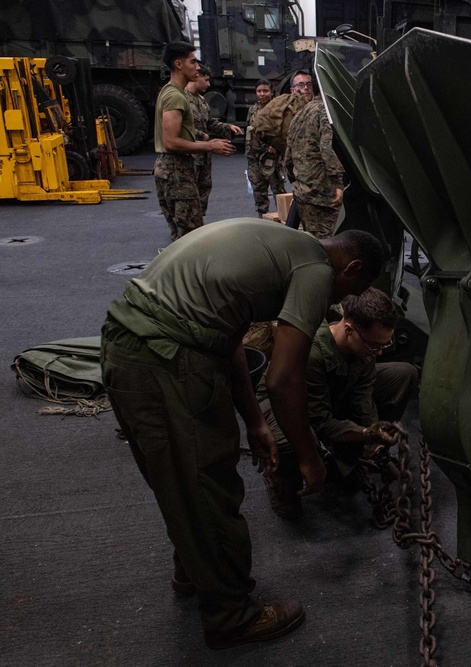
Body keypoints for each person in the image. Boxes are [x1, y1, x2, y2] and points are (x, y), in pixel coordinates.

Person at [100, 219, 385, 649]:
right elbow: (283, 379)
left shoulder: (281, 246)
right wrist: (310, 458)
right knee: (210, 483)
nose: (337, 301)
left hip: (135, 347)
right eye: (347, 293)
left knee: (182, 476)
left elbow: (230, 338)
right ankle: (230, 615)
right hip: (164, 358)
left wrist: (254, 422)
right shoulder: (316, 269)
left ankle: (196, 570)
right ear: (351, 268)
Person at [257, 288, 419, 520]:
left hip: (331, 390)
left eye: (384, 343)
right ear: (349, 330)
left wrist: (373, 435)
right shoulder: (311, 353)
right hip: (285, 401)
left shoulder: (365, 348)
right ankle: (282, 481)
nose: (380, 351)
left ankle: (346, 458)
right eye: (375, 345)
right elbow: (320, 421)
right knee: (291, 444)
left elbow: (361, 398)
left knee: (403, 374)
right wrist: (364, 433)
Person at [153, 41, 235, 241]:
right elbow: (171, 141)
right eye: (193, 61)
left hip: (170, 170)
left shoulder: (170, 92)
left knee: (180, 238)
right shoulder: (175, 97)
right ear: (179, 64)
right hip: (177, 171)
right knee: (192, 239)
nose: (197, 67)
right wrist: (210, 146)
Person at [283, 70, 345, 239]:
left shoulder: (301, 112)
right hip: (321, 194)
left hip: (303, 191)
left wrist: (295, 179)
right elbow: (328, 148)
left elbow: (288, 153)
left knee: (313, 240)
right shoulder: (325, 111)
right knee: (326, 243)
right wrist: (338, 184)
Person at [185, 64, 243, 216]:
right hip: (189, 155)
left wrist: (227, 127)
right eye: (207, 80)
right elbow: (180, 128)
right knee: (188, 194)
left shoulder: (202, 101)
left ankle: (198, 221)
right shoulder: (181, 99)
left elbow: (209, 123)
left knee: (203, 189)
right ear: (197, 77)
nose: (209, 84)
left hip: (203, 155)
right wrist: (202, 136)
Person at [245, 78, 286, 217]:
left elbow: (284, 131)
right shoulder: (253, 109)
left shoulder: (277, 109)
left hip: (273, 159)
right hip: (255, 158)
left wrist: (276, 145)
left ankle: (285, 221)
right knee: (259, 193)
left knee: (279, 192)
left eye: (265, 91)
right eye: (259, 91)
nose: (262, 94)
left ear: (271, 92)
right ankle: (263, 219)